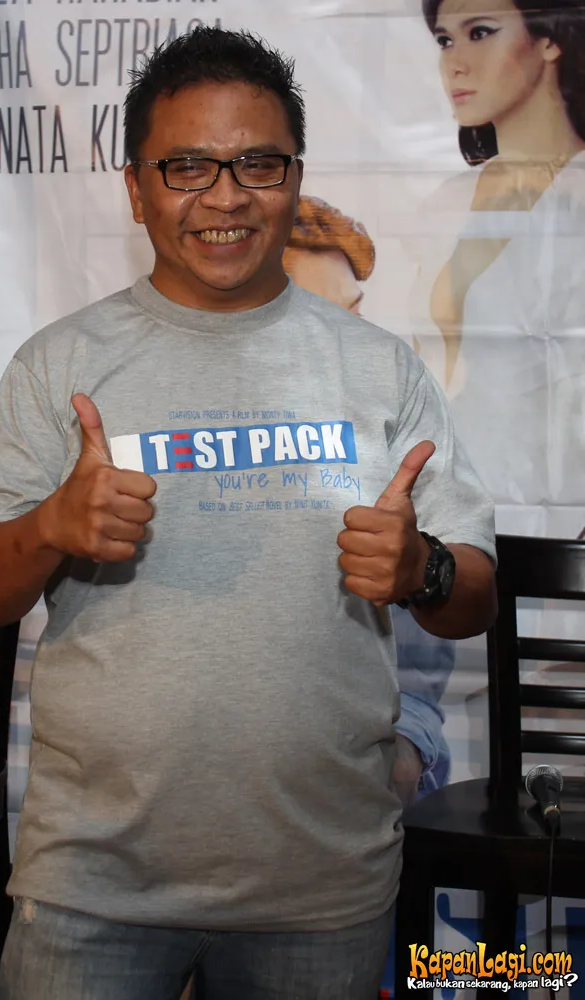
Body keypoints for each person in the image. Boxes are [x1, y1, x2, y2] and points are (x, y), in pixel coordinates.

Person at [0, 26, 497, 1000]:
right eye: (187, 165)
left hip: (321, 886)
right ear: (136, 186)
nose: (226, 196)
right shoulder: (60, 363)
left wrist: (425, 570)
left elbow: (474, 597)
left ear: (295, 178)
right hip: (93, 887)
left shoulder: (380, 368)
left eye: (257, 164)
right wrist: (48, 528)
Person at [284, 195, 454, 804]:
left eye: (353, 315)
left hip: (362, 782)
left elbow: (421, 676)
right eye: (314, 320)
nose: (345, 344)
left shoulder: (402, 447)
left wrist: (406, 747)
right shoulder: (188, 441)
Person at [412, 0, 585, 512]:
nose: (455, 63)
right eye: (445, 40)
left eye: (481, 32)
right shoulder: (446, 202)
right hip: (440, 513)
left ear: (549, 38)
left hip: (555, 520)